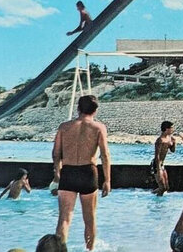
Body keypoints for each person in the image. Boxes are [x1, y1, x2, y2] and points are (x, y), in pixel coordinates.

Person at [52, 95, 110, 251]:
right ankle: (89, 250)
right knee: (90, 220)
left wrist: (57, 171)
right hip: (88, 173)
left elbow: (56, 153)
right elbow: (105, 155)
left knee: (64, 219)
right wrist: (107, 180)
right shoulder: (98, 127)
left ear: (78, 108)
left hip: (68, 172)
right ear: (95, 110)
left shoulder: (64, 127)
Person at [152, 121, 177, 196]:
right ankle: (157, 204)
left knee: (166, 187)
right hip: (156, 164)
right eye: (172, 128)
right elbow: (157, 155)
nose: (173, 130)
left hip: (162, 164)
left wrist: (174, 142)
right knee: (162, 187)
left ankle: (151, 194)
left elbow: (172, 151)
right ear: (167, 129)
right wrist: (159, 169)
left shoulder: (169, 138)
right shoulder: (160, 140)